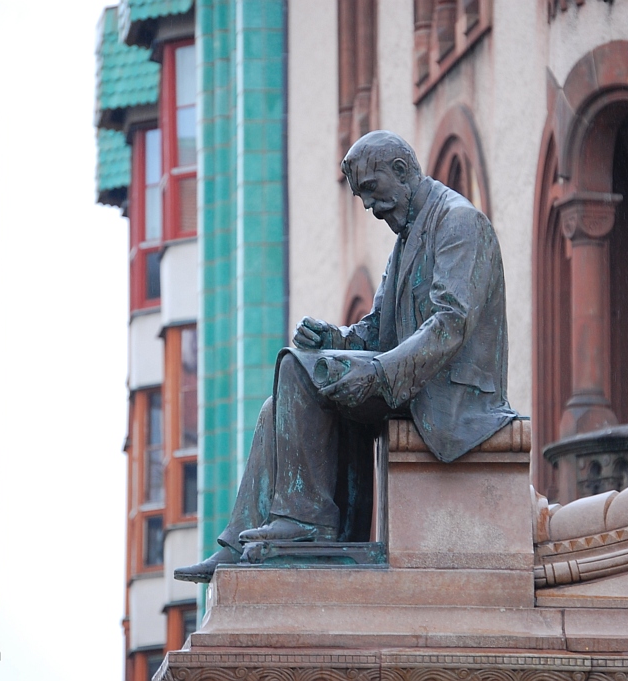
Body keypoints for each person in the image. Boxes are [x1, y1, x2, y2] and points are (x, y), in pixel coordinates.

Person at [175, 131, 517, 582]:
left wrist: (377, 373)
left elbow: (450, 322)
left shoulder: (458, 222)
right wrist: (332, 336)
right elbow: (376, 330)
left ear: (402, 172)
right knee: (279, 405)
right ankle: (240, 543)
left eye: (372, 189)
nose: (370, 206)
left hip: (453, 396)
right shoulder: (407, 238)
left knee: (295, 368)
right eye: (362, 197)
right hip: (412, 383)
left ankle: (306, 522)